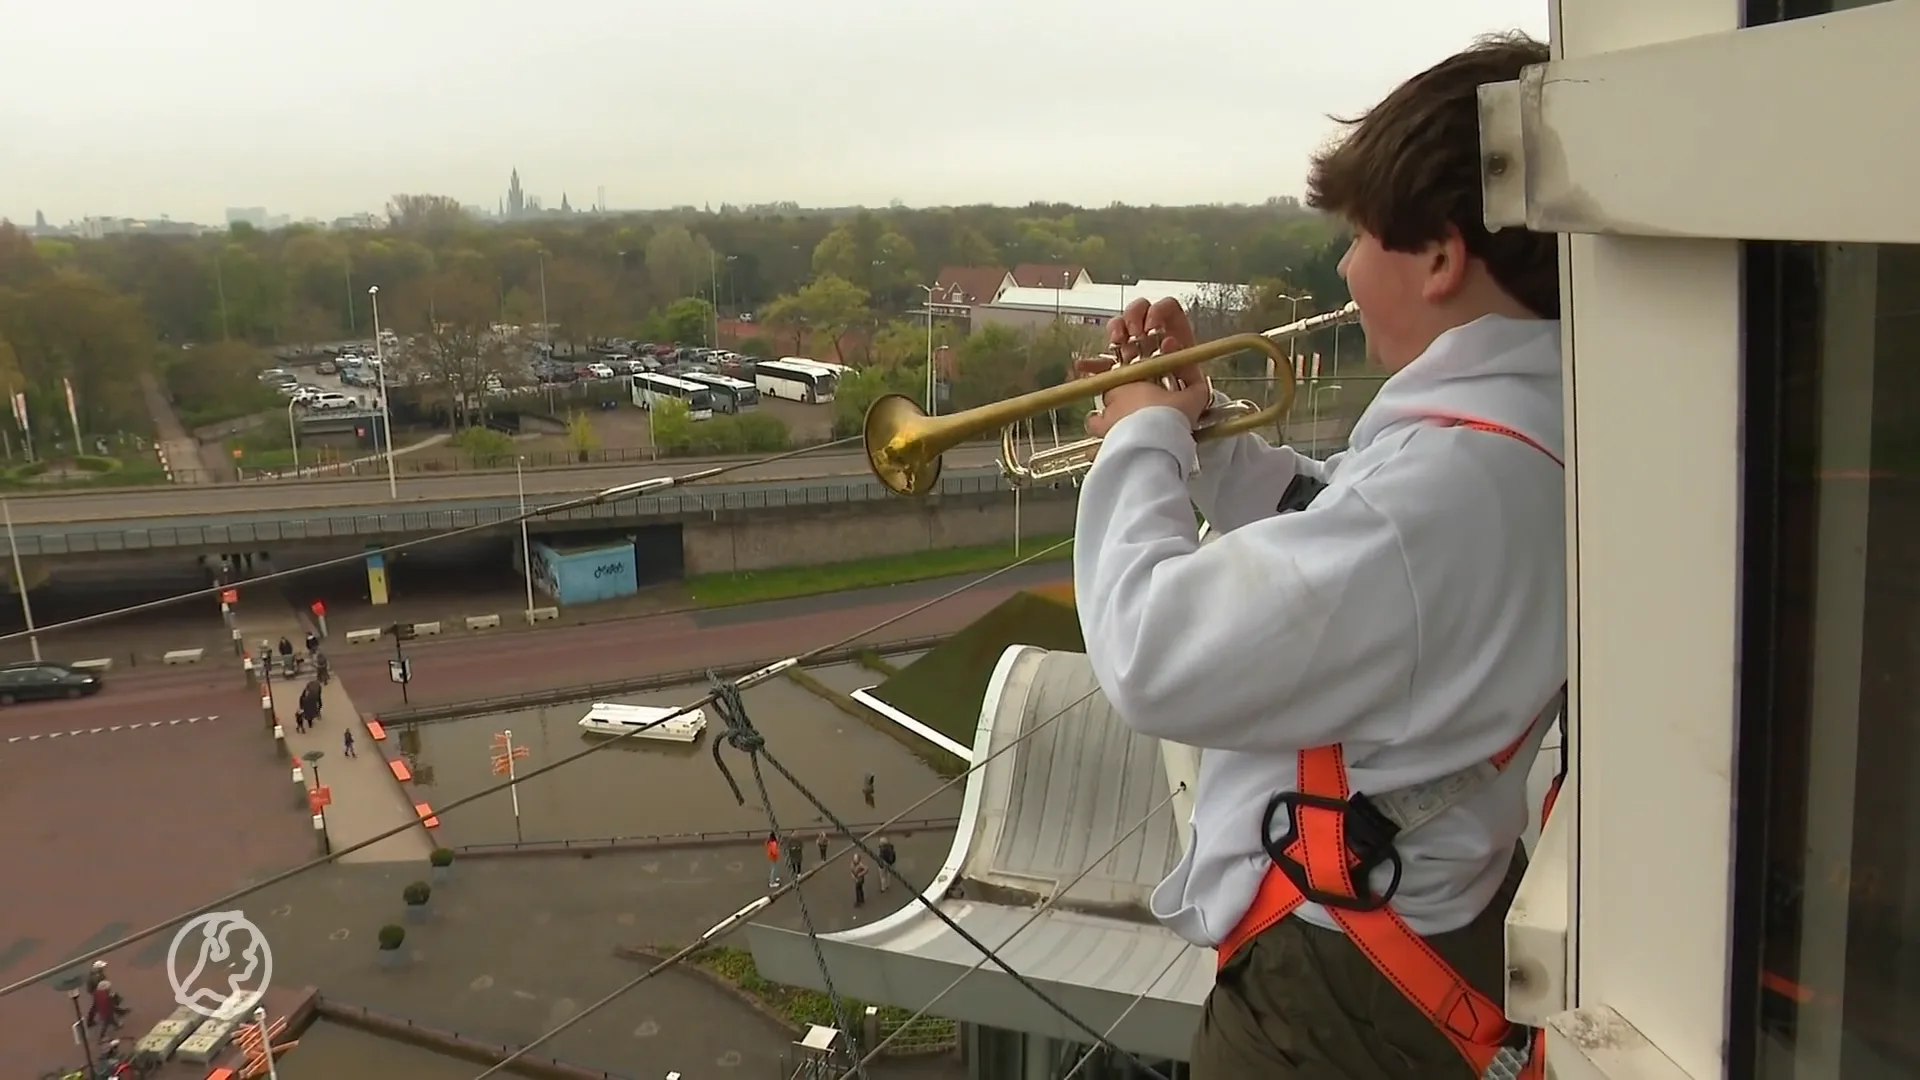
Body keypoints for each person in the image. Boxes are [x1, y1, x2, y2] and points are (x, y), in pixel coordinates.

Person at [1071, 33, 1565, 1080]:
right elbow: (1336, 524)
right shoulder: (1521, 439)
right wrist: (1208, 434)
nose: (1343, 268)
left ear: (1440, 257)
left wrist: (1139, 436)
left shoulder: (1437, 496)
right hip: (1424, 931)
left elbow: (1151, 651)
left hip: (1334, 994)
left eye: (1358, 237)